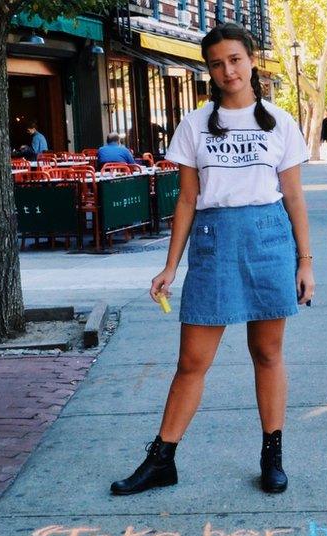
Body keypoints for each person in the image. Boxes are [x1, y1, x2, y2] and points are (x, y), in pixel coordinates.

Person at [110, 23, 313, 497]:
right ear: (209, 70)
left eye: (236, 59)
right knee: (192, 361)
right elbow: (185, 200)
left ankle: (272, 456)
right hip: (213, 243)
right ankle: (162, 460)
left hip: (267, 241)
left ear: (252, 61)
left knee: (267, 353)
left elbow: (295, 197)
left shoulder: (280, 123)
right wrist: (170, 266)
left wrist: (305, 261)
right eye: (218, 63)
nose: (228, 70)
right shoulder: (194, 125)